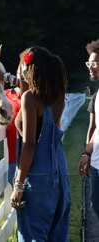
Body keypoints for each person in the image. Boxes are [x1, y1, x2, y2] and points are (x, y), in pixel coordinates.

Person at [10, 46, 71, 242]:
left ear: (29, 69)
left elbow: (30, 144)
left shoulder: (30, 99)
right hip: (60, 172)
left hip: (37, 176)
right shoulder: (59, 96)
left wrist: (19, 184)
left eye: (21, 67)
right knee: (57, 234)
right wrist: (23, 83)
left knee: (32, 234)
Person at [77, 39, 99, 220]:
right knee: (95, 204)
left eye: (94, 63)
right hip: (96, 164)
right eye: (89, 63)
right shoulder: (97, 96)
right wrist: (86, 153)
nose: (90, 67)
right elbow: (94, 128)